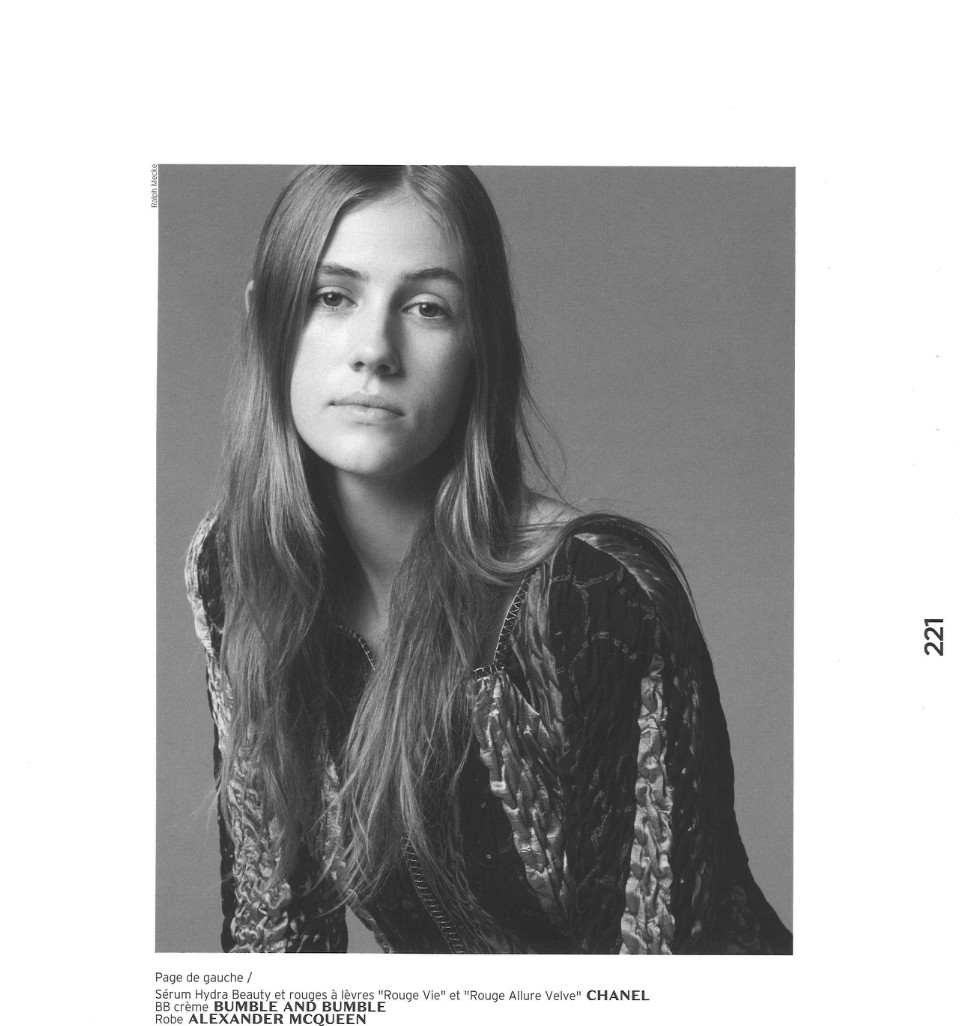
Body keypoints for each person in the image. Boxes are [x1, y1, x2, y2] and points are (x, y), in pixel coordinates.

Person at [186, 164, 792, 955]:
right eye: (332, 297)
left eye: (427, 307)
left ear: (480, 345)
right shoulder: (239, 569)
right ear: (264, 318)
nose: (374, 350)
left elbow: (653, 985)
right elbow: (273, 938)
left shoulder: (592, 596)